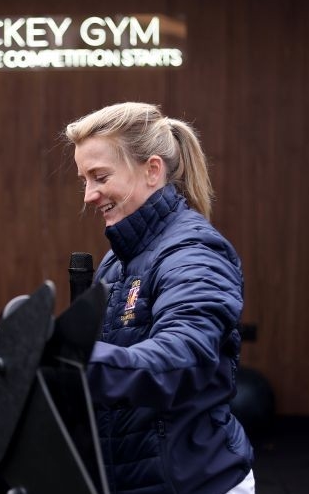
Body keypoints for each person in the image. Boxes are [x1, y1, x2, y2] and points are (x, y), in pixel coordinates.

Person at [66, 102, 255, 494]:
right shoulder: (119, 258)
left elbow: (183, 355)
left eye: (100, 177)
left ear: (153, 170)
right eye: (84, 179)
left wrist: (72, 362)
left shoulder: (194, 252)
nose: (88, 194)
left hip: (195, 484)